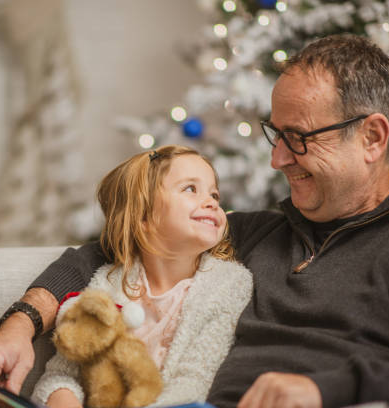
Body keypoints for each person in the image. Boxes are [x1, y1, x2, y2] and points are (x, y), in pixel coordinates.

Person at [0, 34, 389, 408]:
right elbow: (104, 251)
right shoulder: (254, 233)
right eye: (275, 136)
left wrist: (323, 389)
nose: (277, 160)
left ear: (371, 137)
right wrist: (19, 326)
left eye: (299, 138)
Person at [31, 145, 252, 408]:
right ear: (143, 215)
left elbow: (194, 383)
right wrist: (64, 401)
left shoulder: (228, 285)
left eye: (214, 193)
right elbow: (60, 375)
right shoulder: (107, 284)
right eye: (190, 189)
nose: (212, 202)